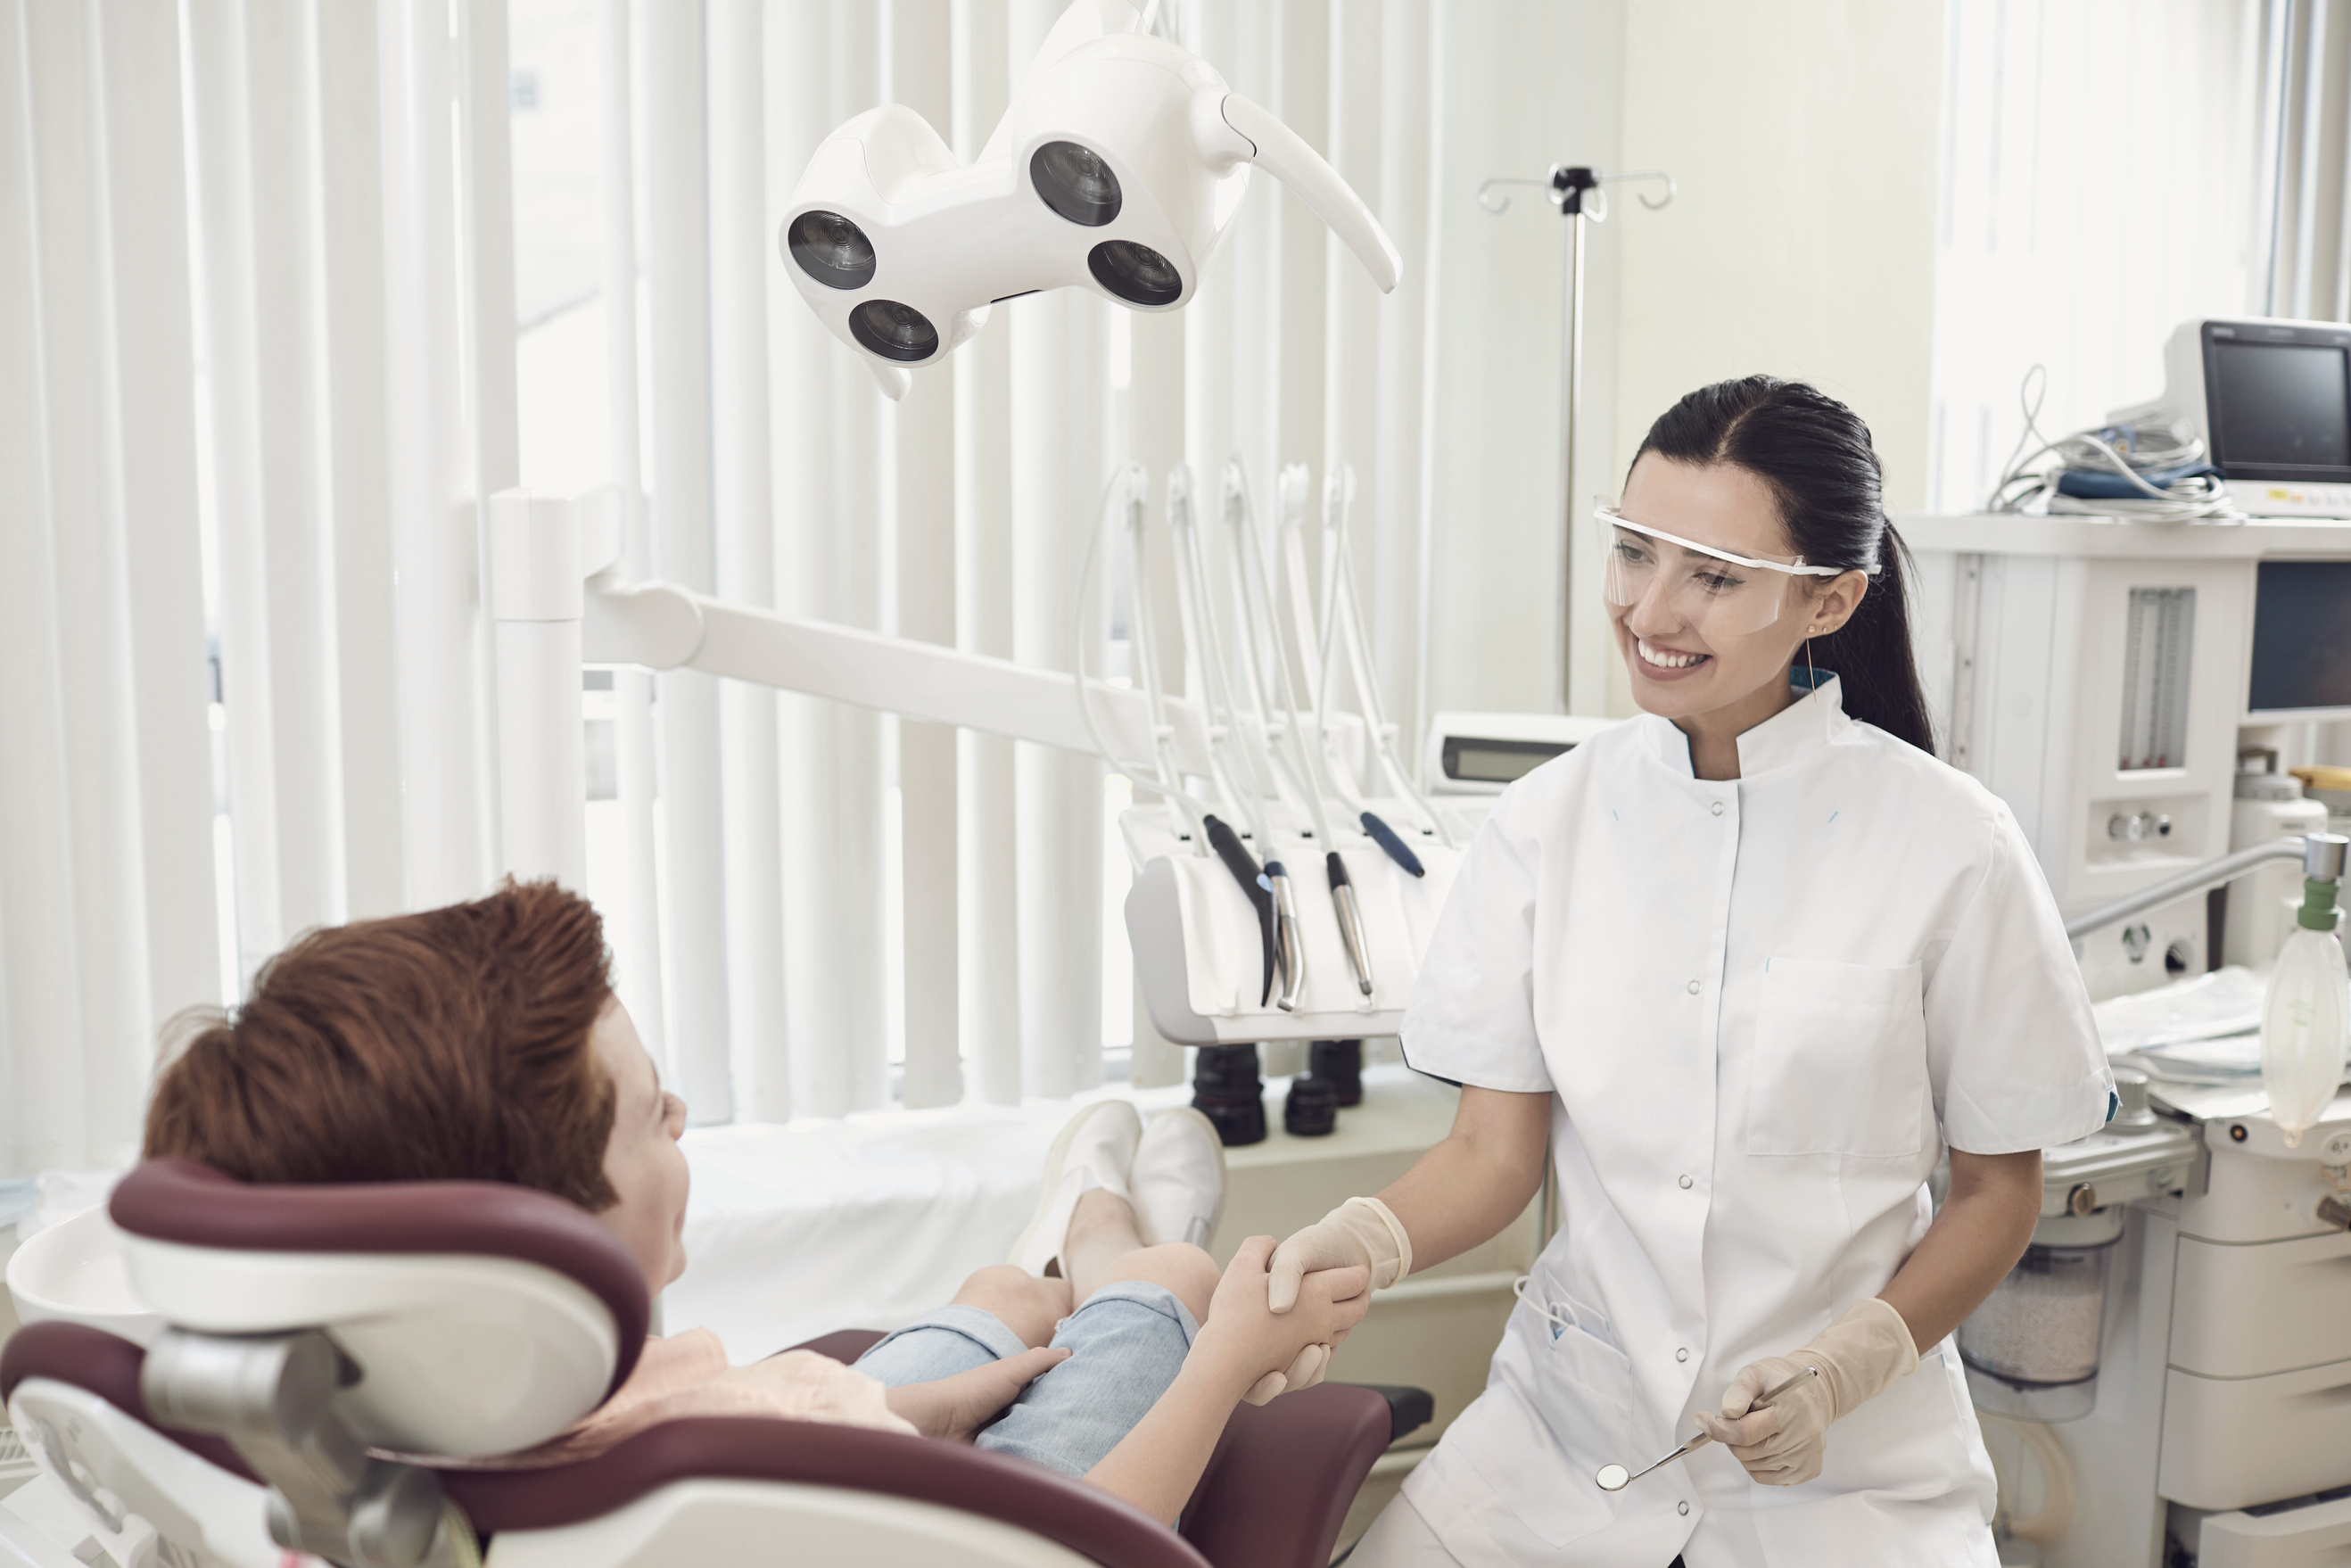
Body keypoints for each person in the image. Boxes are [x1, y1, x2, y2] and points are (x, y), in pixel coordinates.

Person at [1266, 377, 2115, 1566]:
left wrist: (1848, 1363)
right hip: (1561, 1448)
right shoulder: (1547, 823)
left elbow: (1998, 1191)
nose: (1650, 610)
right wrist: (1357, 1241)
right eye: (1634, 553)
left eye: (1713, 576)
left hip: (1850, 1484)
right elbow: (1492, 1156)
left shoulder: (1951, 844)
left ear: (1829, 598)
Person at [140, 880, 1366, 1528]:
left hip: (814, 1437)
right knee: (1174, 1290)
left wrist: (915, 1412)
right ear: (536, 1247)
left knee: (999, 1298)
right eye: (650, 1115)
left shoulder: (381, 1431)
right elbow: (1087, 1549)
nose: (680, 1118)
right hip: (896, 1519)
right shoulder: (698, 1497)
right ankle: (1118, 1241)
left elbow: (734, 1427)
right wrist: (1226, 1360)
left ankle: (1065, 1251)